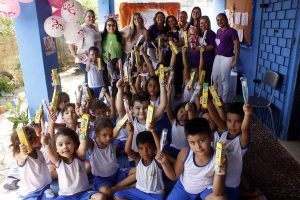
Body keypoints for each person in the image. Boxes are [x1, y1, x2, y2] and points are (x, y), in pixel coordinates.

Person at [156, 118, 227, 200]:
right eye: (192, 143)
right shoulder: (185, 153)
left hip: (206, 190)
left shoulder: (220, 158)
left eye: (202, 140)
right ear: (188, 142)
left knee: (220, 198)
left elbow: (217, 192)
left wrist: (219, 174)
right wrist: (164, 163)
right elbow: (174, 176)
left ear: (211, 137)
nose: (198, 147)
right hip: (184, 188)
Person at [42, 127, 105, 200]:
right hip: (65, 196)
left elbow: (83, 143)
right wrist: (46, 144)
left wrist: (84, 133)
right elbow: (49, 152)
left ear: (75, 145)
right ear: (56, 149)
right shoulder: (58, 161)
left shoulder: (79, 156)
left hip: (83, 193)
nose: (65, 146)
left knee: (101, 197)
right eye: (60, 144)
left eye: (68, 143)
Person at [82, 117, 136, 198]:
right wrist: (84, 124)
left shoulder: (110, 140)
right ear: (96, 134)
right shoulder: (92, 145)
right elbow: (85, 138)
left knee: (140, 172)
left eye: (110, 135)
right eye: (104, 135)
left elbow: (118, 126)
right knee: (105, 192)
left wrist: (126, 118)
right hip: (101, 179)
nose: (108, 138)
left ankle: (116, 188)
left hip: (117, 173)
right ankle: (129, 187)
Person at [114, 126, 164, 200]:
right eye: (141, 148)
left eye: (149, 148)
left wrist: (153, 131)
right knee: (118, 195)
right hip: (138, 191)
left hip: (154, 195)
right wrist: (130, 134)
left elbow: (160, 150)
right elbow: (127, 150)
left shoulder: (157, 160)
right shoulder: (138, 159)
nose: (145, 152)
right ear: (138, 149)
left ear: (154, 148)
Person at [218, 103, 252, 200]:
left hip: (231, 185)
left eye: (237, 122)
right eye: (229, 121)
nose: (232, 125)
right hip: (217, 180)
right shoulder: (224, 134)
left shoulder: (241, 141)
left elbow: (245, 129)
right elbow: (217, 118)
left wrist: (248, 115)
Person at [11, 126, 55, 200]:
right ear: (27, 142)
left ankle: (16, 183)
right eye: (35, 138)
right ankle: (14, 184)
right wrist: (23, 153)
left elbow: (48, 148)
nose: (38, 137)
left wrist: (47, 141)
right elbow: (20, 158)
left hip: (45, 187)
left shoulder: (39, 152)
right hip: (30, 192)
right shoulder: (22, 157)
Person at [212, 13, 240, 103]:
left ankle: (225, 101)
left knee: (224, 79)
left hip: (227, 58)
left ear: (226, 20)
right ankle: (218, 99)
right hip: (218, 57)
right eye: (218, 20)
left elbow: (237, 45)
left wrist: (235, 60)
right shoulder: (218, 31)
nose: (220, 21)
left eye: (222, 19)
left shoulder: (232, 31)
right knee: (216, 78)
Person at [68, 10, 102, 82]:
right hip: (86, 59)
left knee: (99, 75)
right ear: (84, 17)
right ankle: (86, 92)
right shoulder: (81, 28)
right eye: (89, 16)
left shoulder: (95, 28)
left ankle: (101, 92)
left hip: (98, 57)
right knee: (89, 78)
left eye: (93, 16)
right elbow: (70, 42)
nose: (91, 18)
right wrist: (75, 54)